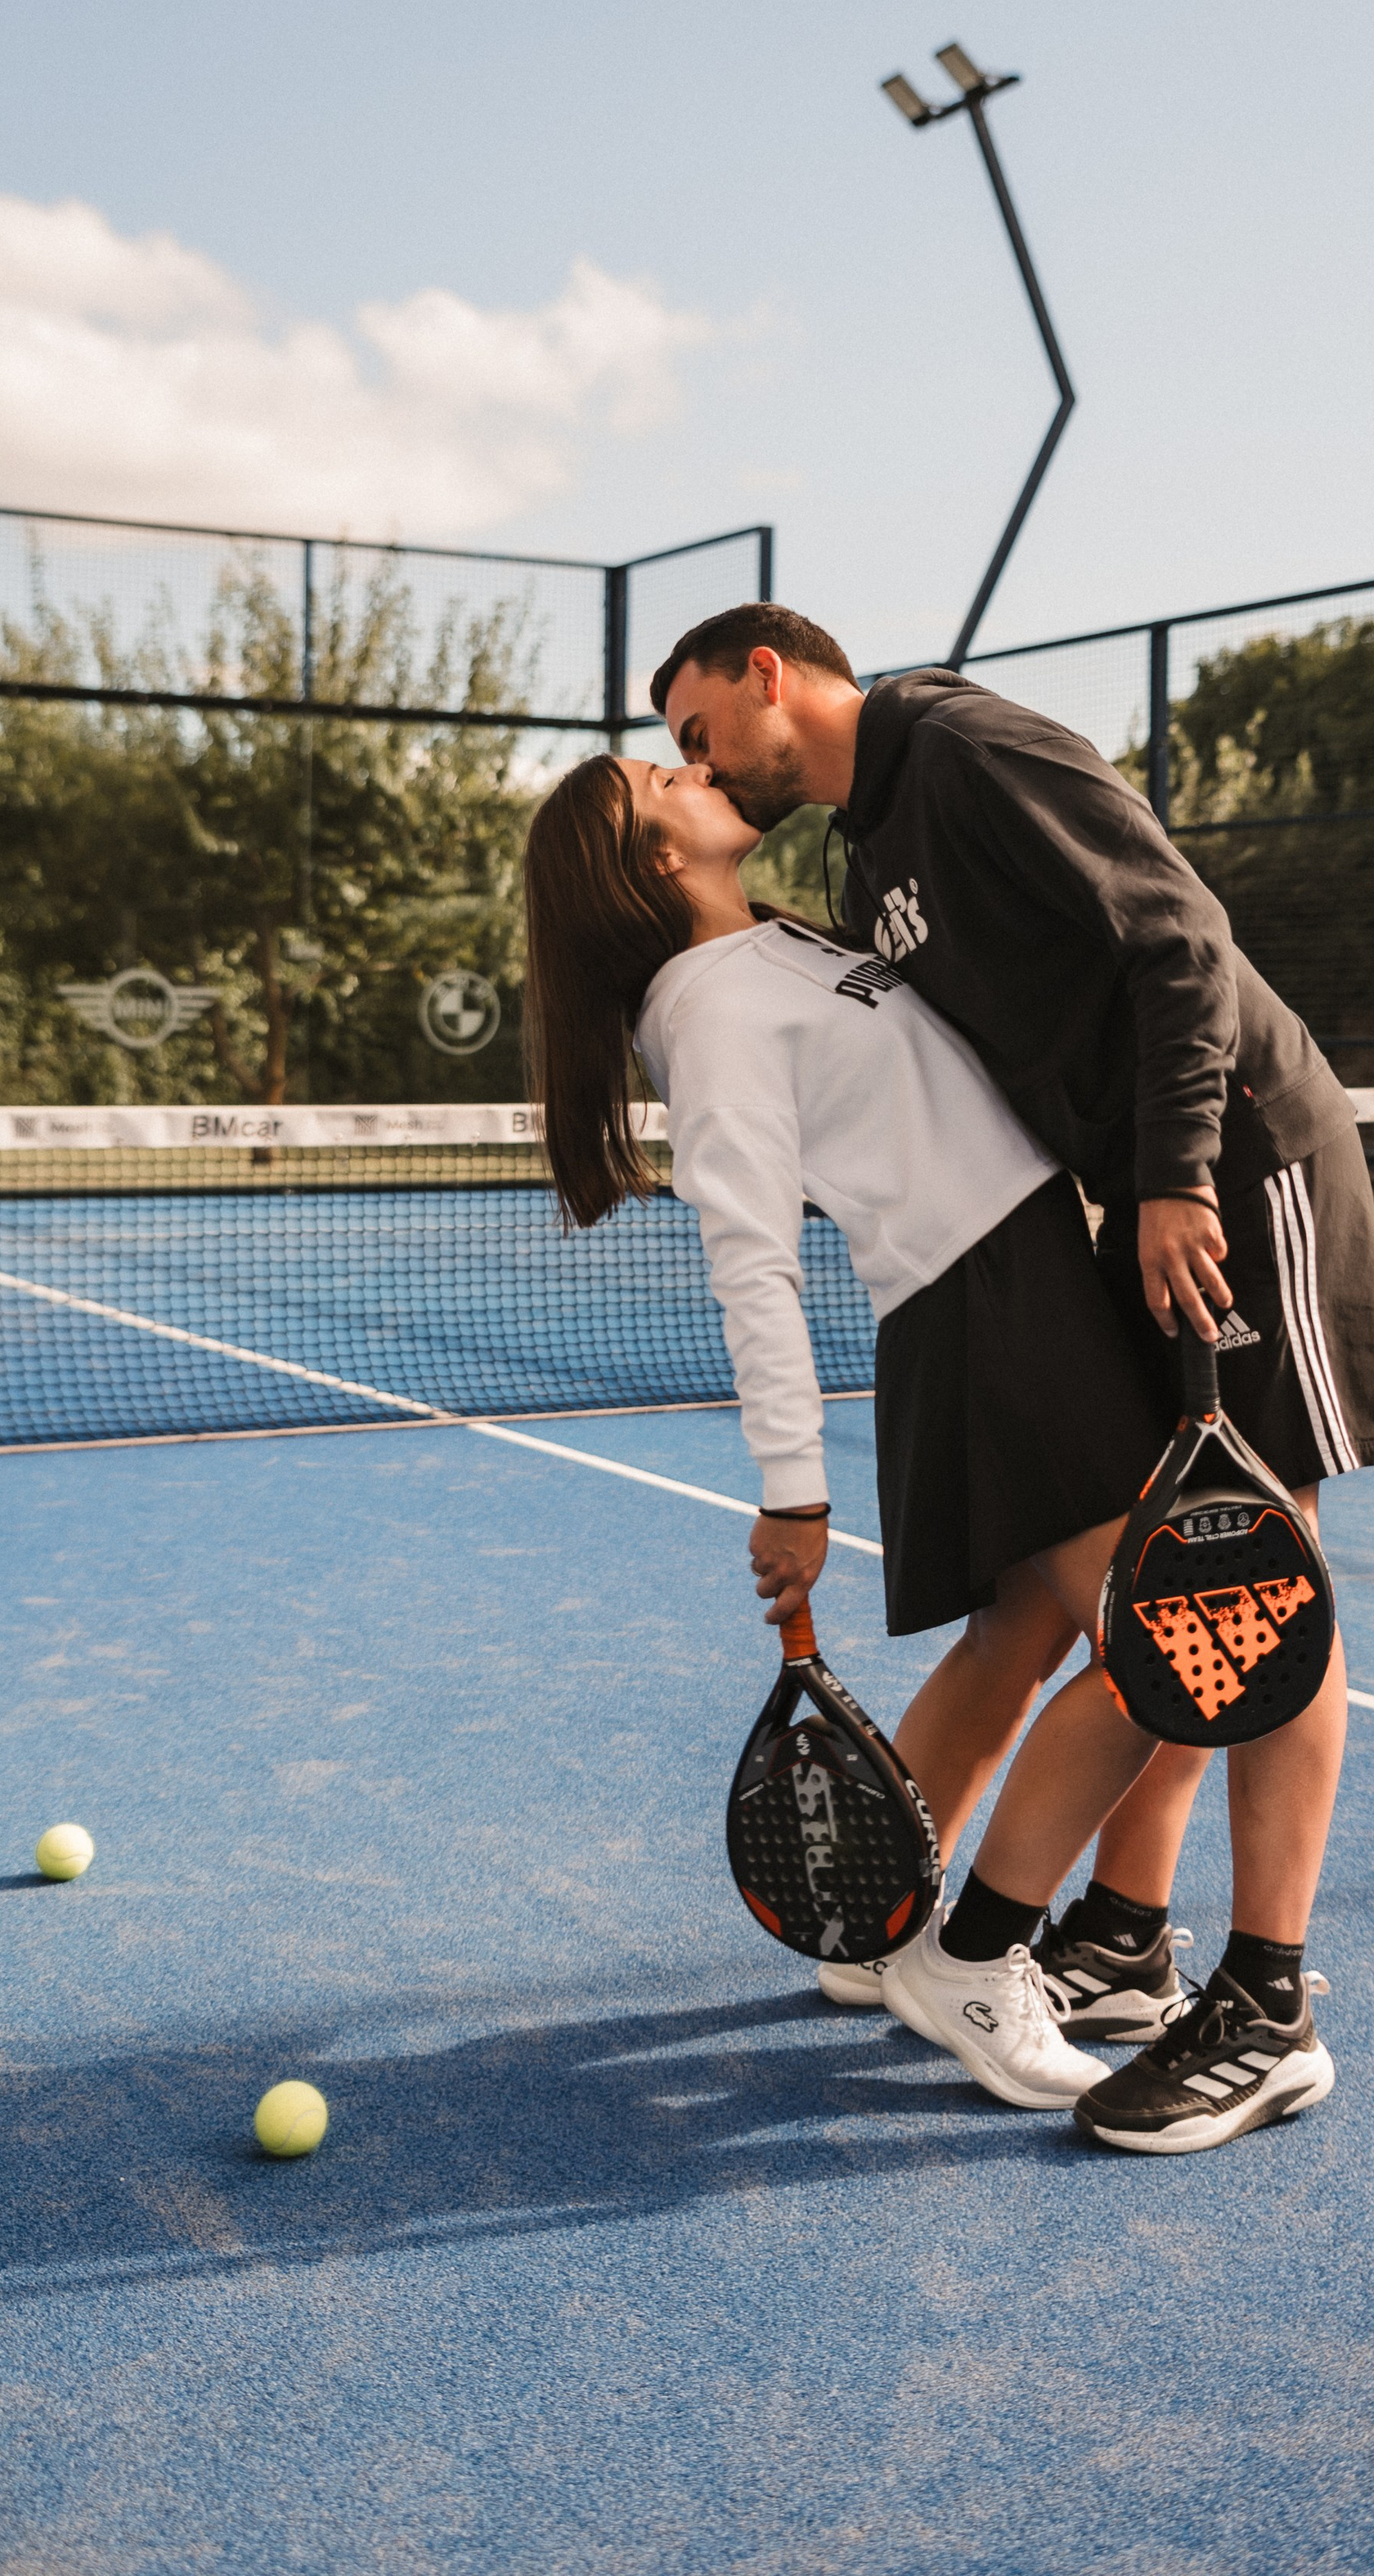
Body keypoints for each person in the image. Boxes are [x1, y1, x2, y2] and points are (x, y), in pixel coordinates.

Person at [653, 604, 1374, 2156]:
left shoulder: (966, 748)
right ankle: (1129, 1934)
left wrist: (1179, 1177)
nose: (698, 758)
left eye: (694, 728)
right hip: (1131, 1209)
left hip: (1239, 1166)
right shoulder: (869, 873)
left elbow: (1180, 939)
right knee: (1192, 1593)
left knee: (1257, 1586)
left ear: (766, 674)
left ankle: (1268, 2006)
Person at [519, 747, 1217, 2111]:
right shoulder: (708, 1013)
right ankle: (975, 1955)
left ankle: (881, 1927)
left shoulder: (767, 949)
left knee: (1025, 1633)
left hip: (1019, 1285)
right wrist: (793, 1488)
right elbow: (751, 1263)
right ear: (654, 860)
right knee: (1171, 1659)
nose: (691, 765)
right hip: (989, 1311)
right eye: (658, 777)